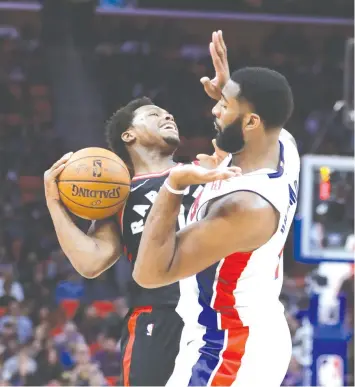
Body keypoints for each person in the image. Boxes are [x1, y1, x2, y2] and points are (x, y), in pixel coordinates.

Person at [133, 64, 300, 386]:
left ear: (252, 122)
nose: (214, 109)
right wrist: (229, 89)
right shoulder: (281, 145)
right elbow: (258, 114)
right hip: (240, 329)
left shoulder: (244, 206)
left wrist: (173, 187)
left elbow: (149, 274)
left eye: (224, 105)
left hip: (229, 349)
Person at [44, 94, 224, 385]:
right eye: (154, 114)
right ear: (128, 134)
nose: (168, 117)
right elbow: (90, 263)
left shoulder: (207, 172)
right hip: (158, 315)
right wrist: (53, 201)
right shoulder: (118, 196)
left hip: (217, 313)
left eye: (169, 114)